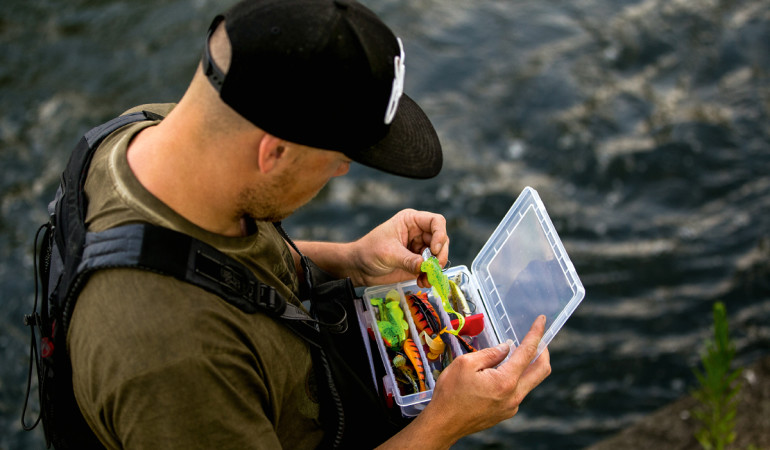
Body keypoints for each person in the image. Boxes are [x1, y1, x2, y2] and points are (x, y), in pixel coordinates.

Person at [66, 0, 552, 448]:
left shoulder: (153, 134)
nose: (342, 173)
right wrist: (446, 422)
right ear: (272, 152)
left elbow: (212, 260)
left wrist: (351, 261)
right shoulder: (173, 364)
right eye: (339, 160)